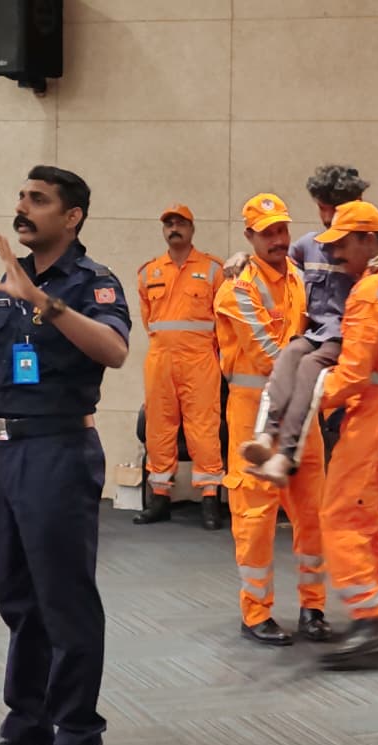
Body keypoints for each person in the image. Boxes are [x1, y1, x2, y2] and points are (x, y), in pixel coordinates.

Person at [0, 166, 130, 745]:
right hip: (5, 453)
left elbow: (114, 351)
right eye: (21, 197)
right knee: (19, 599)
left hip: (59, 450)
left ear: (71, 216)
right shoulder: (3, 284)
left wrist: (43, 302)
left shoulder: (92, 281)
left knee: (65, 602)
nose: (22, 208)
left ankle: (76, 743)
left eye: (39, 200)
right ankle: (27, 725)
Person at [229, 164, 378, 486]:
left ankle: (286, 455)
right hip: (316, 333)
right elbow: (277, 262)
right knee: (290, 355)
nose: (327, 218)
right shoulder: (310, 244)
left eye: (334, 209)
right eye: (321, 208)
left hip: (349, 340)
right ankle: (266, 437)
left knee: (308, 369)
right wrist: (244, 258)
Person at [213, 193, 332, 647]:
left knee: (313, 513)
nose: (278, 239)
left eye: (282, 229)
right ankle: (256, 612)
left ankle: (313, 608)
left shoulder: (300, 278)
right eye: (267, 233)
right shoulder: (237, 288)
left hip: (302, 412)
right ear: (250, 236)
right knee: (256, 517)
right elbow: (270, 355)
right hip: (253, 414)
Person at [309, 201, 378, 666]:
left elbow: (353, 374)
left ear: (370, 240)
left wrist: (312, 398)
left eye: (343, 243)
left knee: (340, 515)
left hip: (375, 414)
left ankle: (367, 618)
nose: (335, 253)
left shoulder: (368, 293)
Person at [134, 204, 226, 530]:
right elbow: (149, 320)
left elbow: (224, 321)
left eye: (181, 223)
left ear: (192, 228)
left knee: (204, 428)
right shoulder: (148, 272)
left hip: (200, 359)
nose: (174, 228)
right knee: (159, 428)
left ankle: (210, 499)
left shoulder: (214, 270)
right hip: (160, 359)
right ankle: (159, 498)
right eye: (169, 224)